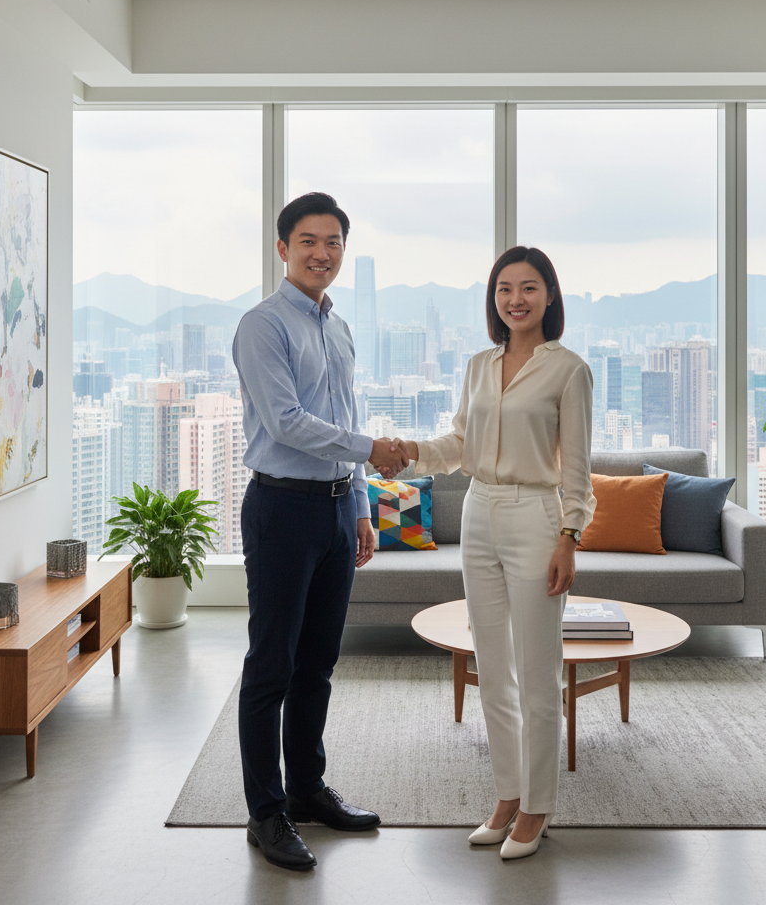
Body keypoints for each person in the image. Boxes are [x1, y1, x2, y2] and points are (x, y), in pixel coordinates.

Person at [392, 246, 595, 860]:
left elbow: (577, 468)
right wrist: (409, 452)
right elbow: (460, 443)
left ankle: (538, 806)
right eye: (505, 289)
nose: (516, 299)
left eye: (528, 288)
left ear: (549, 295)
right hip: (479, 509)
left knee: (538, 670)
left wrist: (569, 537)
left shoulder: (570, 371)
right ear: (493, 299)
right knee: (491, 664)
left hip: (536, 516)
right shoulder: (479, 365)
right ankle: (508, 794)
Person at [232, 191, 408, 871]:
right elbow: (286, 423)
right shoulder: (263, 325)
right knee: (270, 667)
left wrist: (360, 504)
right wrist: (371, 450)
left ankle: (306, 789)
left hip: (336, 510)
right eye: (308, 240)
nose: (321, 253)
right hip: (281, 510)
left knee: (318, 665)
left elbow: (344, 414)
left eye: (333, 241)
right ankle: (266, 813)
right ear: (283, 248)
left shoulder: (339, 328)